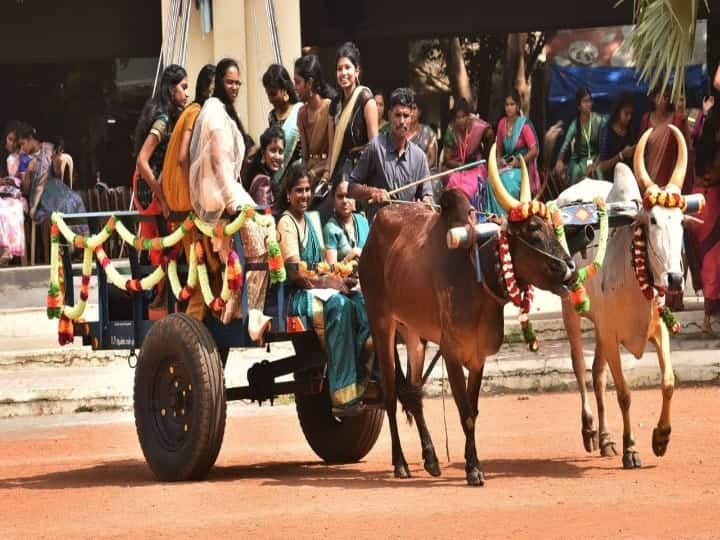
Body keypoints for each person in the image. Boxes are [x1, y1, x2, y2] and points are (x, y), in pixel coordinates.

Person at [277, 163, 372, 410]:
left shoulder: (312, 219)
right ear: (288, 194)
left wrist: (340, 277)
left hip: (318, 288)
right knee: (340, 307)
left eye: (308, 190)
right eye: (299, 190)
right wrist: (331, 282)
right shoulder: (286, 223)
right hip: (296, 295)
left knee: (359, 302)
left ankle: (367, 379)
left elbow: (322, 265)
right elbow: (296, 273)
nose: (305, 195)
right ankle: (342, 395)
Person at [189, 57, 255, 323]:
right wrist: (230, 199)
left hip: (225, 187)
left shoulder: (222, 110)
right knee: (255, 240)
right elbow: (217, 160)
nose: (235, 87)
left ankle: (237, 301)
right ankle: (241, 305)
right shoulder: (215, 110)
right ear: (218, 82)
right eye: (230, 82)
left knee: (246, 244)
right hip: (218, 190)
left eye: (238, 82)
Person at [159, 64, 215, 319]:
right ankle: (192, 324)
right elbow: (182, 158)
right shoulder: (195, 113)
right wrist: (192, 196)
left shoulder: (194, 111)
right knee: (203, 261)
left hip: (180, 197)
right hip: (184, 200)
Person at [346, 87, 433, 221]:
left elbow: (428, 196)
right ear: (390, 115)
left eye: (406, 116)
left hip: (407, 229)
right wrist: (373, 192)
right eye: (398, 115)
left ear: (412, 118)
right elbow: (351, 188)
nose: (402, 121)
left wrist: (425, 204)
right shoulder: (375, 147)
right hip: (380, 228)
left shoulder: (419, 156)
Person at [133, 63, 188, 271]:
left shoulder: (163, 114)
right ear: (171, 90)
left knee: (158, 245)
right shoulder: (163, 120)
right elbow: (142, 161)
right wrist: (163, 198)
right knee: (162, 247)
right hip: (151, 188)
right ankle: (161, 298)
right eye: (183, 87)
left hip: (150, 185)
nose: (186, 93)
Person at [18, 124, 87, 262]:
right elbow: (25, 189)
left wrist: (56, 162)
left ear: (31, 139)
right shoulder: (24, 159)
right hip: (38, 194)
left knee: (75, 199)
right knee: (60, 204)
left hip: (55, 186)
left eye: (23, 144)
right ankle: (69, 247)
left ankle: (81, 244)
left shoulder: (48, 148)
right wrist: (28, 173)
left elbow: (56, 174)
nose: (22, 148)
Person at [327, 42, 379, 190]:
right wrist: (326, 174)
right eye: (339, 69)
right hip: (338, 168)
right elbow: (332, 148)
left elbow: (374, 146)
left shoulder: (366, 99)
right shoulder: (335, 104)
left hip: (360, 171)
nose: (343, 73)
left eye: (347, 67)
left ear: (357, 71)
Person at [690, 99, 720, 334]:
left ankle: (709, 318)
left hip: (699, 199)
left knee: (706, 257)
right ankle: (710, 317)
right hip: (711, 201)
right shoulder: (714, 146)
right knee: (712, 258)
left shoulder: (703, 142)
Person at [484, 89, 541, 215]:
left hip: (522, 168)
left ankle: (509, 216)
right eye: (507, 105)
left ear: (518, 106)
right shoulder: (501, 123)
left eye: (512, 104)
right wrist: (498, 161)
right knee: (490, 180)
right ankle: (494, 216)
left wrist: (519, 162)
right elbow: (498, 148)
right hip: (507, 165)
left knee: (505, 180)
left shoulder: (524, 125)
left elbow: (534, 150)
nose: (509, 108)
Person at [294, 54, 334, 190]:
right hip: (309, 178)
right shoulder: (301, 113)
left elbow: (333, 153)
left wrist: (318, 174)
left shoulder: (329, 108)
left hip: (327, 176)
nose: (295, 87)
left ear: (310, 83)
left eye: (298, 82)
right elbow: (305, 157)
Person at [442, 97, 491, 204]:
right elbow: (447, 159)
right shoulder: (451, 131)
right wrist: (460, 165)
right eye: (457, 117)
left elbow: (491, 135)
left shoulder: (477, 126)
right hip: (457, 167)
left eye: (463, 117)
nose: (460, 120)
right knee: (454, 183)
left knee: (477, 182)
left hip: (476, 166)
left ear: (469, 117)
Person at [263, 64, 303, 195]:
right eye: (268, 95)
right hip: (277, 180)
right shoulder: (272, 116)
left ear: (284, 89)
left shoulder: (300, 111)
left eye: (273, 94)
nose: (270, 99)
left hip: (297, 177)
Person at [555, 87, 605, 185]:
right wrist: (559, 160)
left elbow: (603, 148)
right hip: (579, 159)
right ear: (579, 106)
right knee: (576, 171)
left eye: (590, 100)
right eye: (585, 101)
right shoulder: (575, 124)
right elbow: (565, 145)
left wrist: (594, 164)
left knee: (596, 171)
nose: (588, 104)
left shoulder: (599, 121)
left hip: (595, 158)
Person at [323, 178, 369, 264]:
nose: (344, 201)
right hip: (343, 277)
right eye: (340, 196)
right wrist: (350, 256)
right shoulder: (330, 229)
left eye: (348, 196)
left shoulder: (363, 221)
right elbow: (331, 271)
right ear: (333, 199)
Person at [0, 122, 27, 264]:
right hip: (3, 193)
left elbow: (26, 183)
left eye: (13, 140)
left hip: (17, 196)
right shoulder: (6, 157)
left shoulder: (22, 158)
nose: (10, 142)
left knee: (9, 210)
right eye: (8, 139)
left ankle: (8, 249)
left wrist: (15, 183)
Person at [242, 125, 285, 206]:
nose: (277, 156)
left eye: (280, 152)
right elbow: (266, 214)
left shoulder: (265, 175)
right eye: (273, 150)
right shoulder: (262, 181)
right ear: (263, 153)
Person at [598, 93, 637, 181]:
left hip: (628, 180)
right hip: (611, 182)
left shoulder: (631, 129)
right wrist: (621, 155)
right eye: (626, 114)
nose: (629, 117)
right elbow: (602, 166)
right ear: (617, 112)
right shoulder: (607, 132)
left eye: (631, 114)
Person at [408, 102, 438, 170]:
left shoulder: (427, 132)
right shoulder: (401, 131)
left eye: (414, 108)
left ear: (419, 112)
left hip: (424, 171)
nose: (411, 112)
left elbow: (431, 159)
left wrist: (420, 171)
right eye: (409, 108)